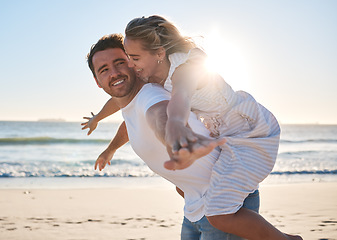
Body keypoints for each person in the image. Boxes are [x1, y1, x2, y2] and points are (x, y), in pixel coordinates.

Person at [83, 17, 302, 240]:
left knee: (220, 215)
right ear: (97, 81)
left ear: (157, 53)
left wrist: (176, 129)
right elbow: (126, 117)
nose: (122, 68)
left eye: (126, 60)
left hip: (245, 132)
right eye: (104, 69)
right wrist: (103, 132)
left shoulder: (165, 83)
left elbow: (171, 106)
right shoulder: (143, 88)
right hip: (198, 200)